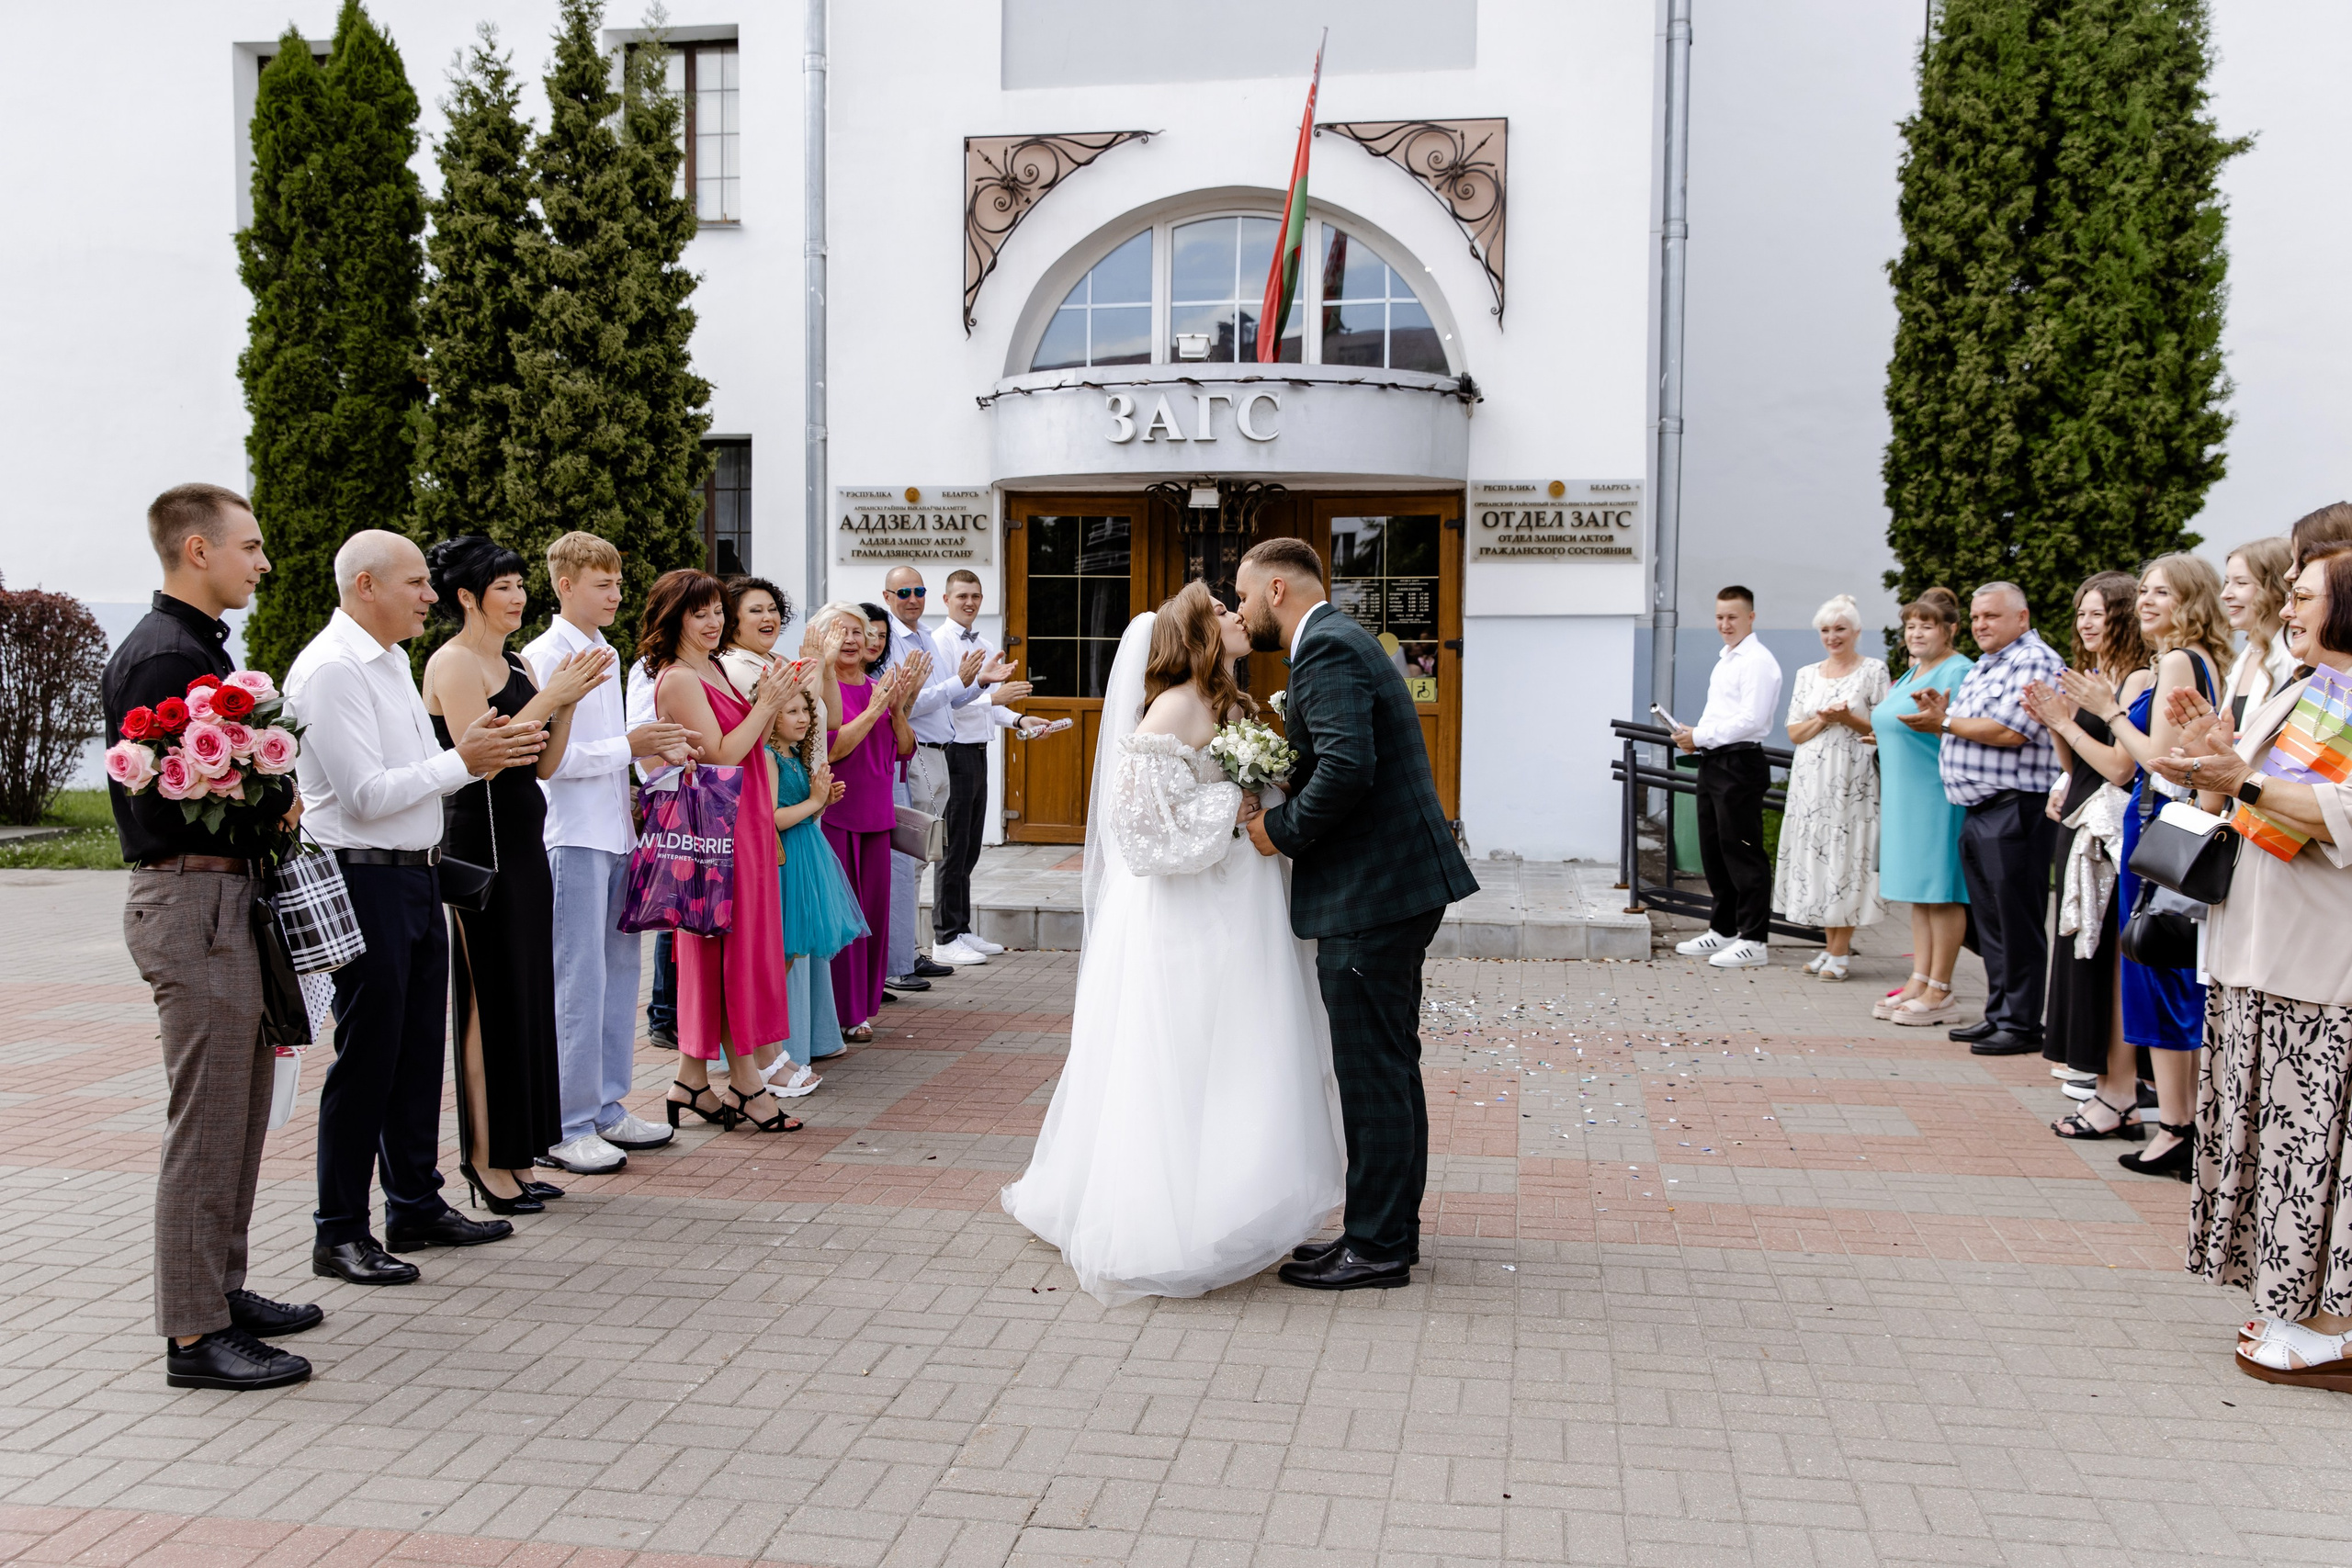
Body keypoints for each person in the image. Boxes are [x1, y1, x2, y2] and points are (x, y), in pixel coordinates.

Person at [1002, 581, 1347, 1303]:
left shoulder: (1226, 702)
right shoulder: (1173, 706)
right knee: (1187, 1052)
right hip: (1189, 915)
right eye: (1221, 610)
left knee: (1240, 1051)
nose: (1235, 614)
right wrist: (1238, 802)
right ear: (1195, 631)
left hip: (1235, 906)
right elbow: (1142, 830)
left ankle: (1240, 1200)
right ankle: (1169, 1219)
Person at [287, 530, 546, 1286]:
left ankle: (414, 1202)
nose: (431, 596)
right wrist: (463, 761)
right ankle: (338, 1229)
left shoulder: (390, 659)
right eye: (416, 584)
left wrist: (462, 754)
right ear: (365, 585)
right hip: (364, 877)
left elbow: (409, 772)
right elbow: (365, 794)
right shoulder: (333, 670)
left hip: (414, 874)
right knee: (367, 1055)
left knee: (413, 1052)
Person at [104, 483, 317, 1391]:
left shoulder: (192, 649)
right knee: (207, 1119)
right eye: (250, 547)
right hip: (190, 906)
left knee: (239, 1111)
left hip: (223, 903)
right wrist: (271, 800)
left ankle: (222, 1293)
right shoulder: (163, 660)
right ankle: (194, 1337)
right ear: (198, 550)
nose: (262, 563)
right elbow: (170, 799)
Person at [1239, 538, 1481, 1290]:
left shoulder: (1327, 650)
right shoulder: (1340, 639)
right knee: (1387, 1066)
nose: (1242, 609)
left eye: (1244, 595)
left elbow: (1347, 766)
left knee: (1372, 1071)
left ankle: (1376, 1246)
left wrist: (1275, 832)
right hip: (1393, 886)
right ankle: (1385, 1232)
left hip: (1374, 892)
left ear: (1277, 588)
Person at [2155, 539, 2352, 1388]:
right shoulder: (2300, 688)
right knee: (2273, 1138)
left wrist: (2242, 781)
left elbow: (2334, 812)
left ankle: (2333, 1321)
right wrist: (2202, 758)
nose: (2289, 607)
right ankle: (2289, 1298)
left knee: (2317, 1143)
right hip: (2251, 949)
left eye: (2304, 596)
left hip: (2319, 958)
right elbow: (2224, 795)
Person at [422, 537, 606, 1212]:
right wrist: (551, 694)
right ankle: (484, 1162)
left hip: (528, 839)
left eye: (522, 584)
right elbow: (486, 757)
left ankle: (521, 1152)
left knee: (527, 1000)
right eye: (504, 586)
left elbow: (546, 762)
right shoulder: (452, 662)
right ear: (468, 596)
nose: (519, 595)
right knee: (486, 1006)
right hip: (482, 846)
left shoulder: (518, 659)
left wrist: (567, 703)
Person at [523, 535, 695, 1173]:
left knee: (620, 971)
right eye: (602, 583)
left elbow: (614, 747)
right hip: (570, 833)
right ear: (564, 584)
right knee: (577, 979)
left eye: (619, 582)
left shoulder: (605, 648)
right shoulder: (545, 656)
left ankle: (605, 1105)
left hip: (615, 829)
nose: (616, 594)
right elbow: (553, 763)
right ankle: (566, 1123)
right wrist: (633, 744)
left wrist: (653, 755)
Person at [2059, 554, 2233, 1178]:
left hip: (2160, 826)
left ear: (2191, 600)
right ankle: (2178, 1123)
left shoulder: (2183, 660)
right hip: (2156, 824)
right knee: (2162, 972)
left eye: (2163, 591)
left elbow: (2154, 760)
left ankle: (2179, 1127)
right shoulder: (2195, 659)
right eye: (2145, 591)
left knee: (2158, 974)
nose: (2148, 601)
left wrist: (2108, 712)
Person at [643, 570, 798, 1133]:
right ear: (675, 618)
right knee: (728, 954)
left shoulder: (712, 668)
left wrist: (765, 703)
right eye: (699, 613)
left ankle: (690, 1080)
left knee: (725, 955)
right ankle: (748, 1086)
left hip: (744, 826)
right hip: (717, 838)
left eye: (716, 612)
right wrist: (768, 704)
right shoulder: (680, 678)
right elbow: (723, 756)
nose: (713, 623)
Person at [2021, 572, 2149, 1132]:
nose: (2087, 623)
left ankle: (2118, 1093)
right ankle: (2099, 1085)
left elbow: (2122, 766)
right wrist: (2054, 722)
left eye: (2098, 612)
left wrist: (2065, 725)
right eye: (2080, 614)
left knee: (2104, 960)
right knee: (2079, 952)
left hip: (2112, 833)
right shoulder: (2097, 676)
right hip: (2078, 819)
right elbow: (2077, 764)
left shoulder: (2139, 677)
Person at [1915, 582, 2065, 1054]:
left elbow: (2009, 731)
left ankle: (2021, 1025)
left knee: (2017, 921)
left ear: (2021, 618)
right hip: (1981, 810)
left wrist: (1943, 722)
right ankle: (1999, 1013)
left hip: (2015, 807)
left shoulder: (2033, 659)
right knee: (1993, 922)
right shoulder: (1988, 663)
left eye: (1991, 617)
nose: (1980, 625)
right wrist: (1946, 715)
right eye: (1976, 617)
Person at [713, 573, 829, 1091]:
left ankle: (776, 1048)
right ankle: (755, 1056)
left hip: (797, 816)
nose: (767, 619)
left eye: (772, 609)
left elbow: (813, 720)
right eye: (752, 610)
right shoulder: (738, 670)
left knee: (783, 948)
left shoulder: (775, 665)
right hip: (763, 818)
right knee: (765, 949)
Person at [927, 568, 1043, 966]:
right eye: (962, 596)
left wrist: (1020, 720)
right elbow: (943, 701)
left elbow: (992, 706)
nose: (970, 602)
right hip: (951, 751)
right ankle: (943, 937)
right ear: (946, 600)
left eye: (975, 596)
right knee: (952, 846)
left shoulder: (988, 643)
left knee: (971, 847)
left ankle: (961, 929)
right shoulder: (938, 644)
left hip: (977, 752)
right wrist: (994, 700)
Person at [1868, 589, 1972, 1025]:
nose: (1916, 633)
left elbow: (1960, 728)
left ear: (1949, 629)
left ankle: (1941, 988)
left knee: (1941, 891)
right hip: (1902, 794)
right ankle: (1919, 978)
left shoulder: (1959, 670)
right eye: (1911, 626)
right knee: (1918, 894)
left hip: (1936, 793)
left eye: (1926, 625)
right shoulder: (1913, 672)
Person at [1771, 594, 1887, 978]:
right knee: (1818, 856)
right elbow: (1793, 731)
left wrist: (1848, 718)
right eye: (1825, 630)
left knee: (1846, 857)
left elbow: (1883, 729)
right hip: (1811, 782)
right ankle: (1829, 945)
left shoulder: (1873, 670)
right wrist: (1823, 720)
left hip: (1851, 779)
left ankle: (1841, 952)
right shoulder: (1807, 673)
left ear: (1855, 631)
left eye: (1840, 629)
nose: (1832, 637)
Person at [815, 601, 913, 1042]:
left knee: (873, 916)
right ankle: (841, 1012)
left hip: (878, 816)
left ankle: (864, 1007)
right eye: (841, 632)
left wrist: (895, 709)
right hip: (838, 814)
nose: (853, 640)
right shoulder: (821, 687)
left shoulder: (878, 685)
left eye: (858, 632)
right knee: (844, 918)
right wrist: (875, 709)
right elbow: (832, 748)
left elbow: (905, 749)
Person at [1670, 586, 1783, 970]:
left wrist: (1700, 736)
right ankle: (1724, 929)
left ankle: (1754, 939)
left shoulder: (1757, 661)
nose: (1725, 624)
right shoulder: (1726, 661)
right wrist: (1694, 735)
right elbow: (1721, 715)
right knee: (1715, 849)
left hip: (1741, 763)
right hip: (1715, 761)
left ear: (1751, 617)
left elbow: (1751, 720)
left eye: (1732, 617)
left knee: (1743, 850)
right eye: (1720, 617)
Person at [877, 568, 973, 993]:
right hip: (914, 754)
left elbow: (941, 700)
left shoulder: (926, 636)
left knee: (919, 860)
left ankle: (909, 950)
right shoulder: (891, 639)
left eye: (918, 591)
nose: (913, 599)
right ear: (887, 595)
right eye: (904, 592)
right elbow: (907, 707)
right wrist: (958, 682)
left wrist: (976, 684)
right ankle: (901, 958)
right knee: (910, 860)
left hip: (938, 754)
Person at [771, 680, 867, 1084]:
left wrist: (821, 800)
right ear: (770, 717)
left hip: (807, 855)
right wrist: (813, 802)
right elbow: (771, 819)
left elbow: (803, 813)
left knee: (790, 960)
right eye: (792, 711)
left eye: (806, 711)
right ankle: (769, 1055)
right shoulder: (768, 757)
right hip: (785, 864)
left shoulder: (793, 755)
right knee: (778, 961)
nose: (804, 718)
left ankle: (779, 1052)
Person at [2221, 536, 2294, 730]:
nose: (2225, 594)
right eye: (2227, 582)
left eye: (2241, 583)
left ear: (2277, 589)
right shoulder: (2246, 656)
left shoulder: (2294, 658)